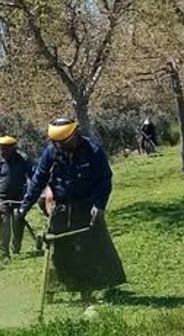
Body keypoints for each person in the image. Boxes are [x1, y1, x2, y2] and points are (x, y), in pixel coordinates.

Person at [16, 118, 126, 302]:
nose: (59, 146)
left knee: (88, 250)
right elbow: (38, 180)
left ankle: (87, 290)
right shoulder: (51, 152)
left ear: (75, 134)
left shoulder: (93, 151)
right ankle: (52, 290)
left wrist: (99, 205)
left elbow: (105, 180)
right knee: (57, 251)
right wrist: (24, 207)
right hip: (61, 208)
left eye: (63, 142)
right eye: (56, 143)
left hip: (86, 207)